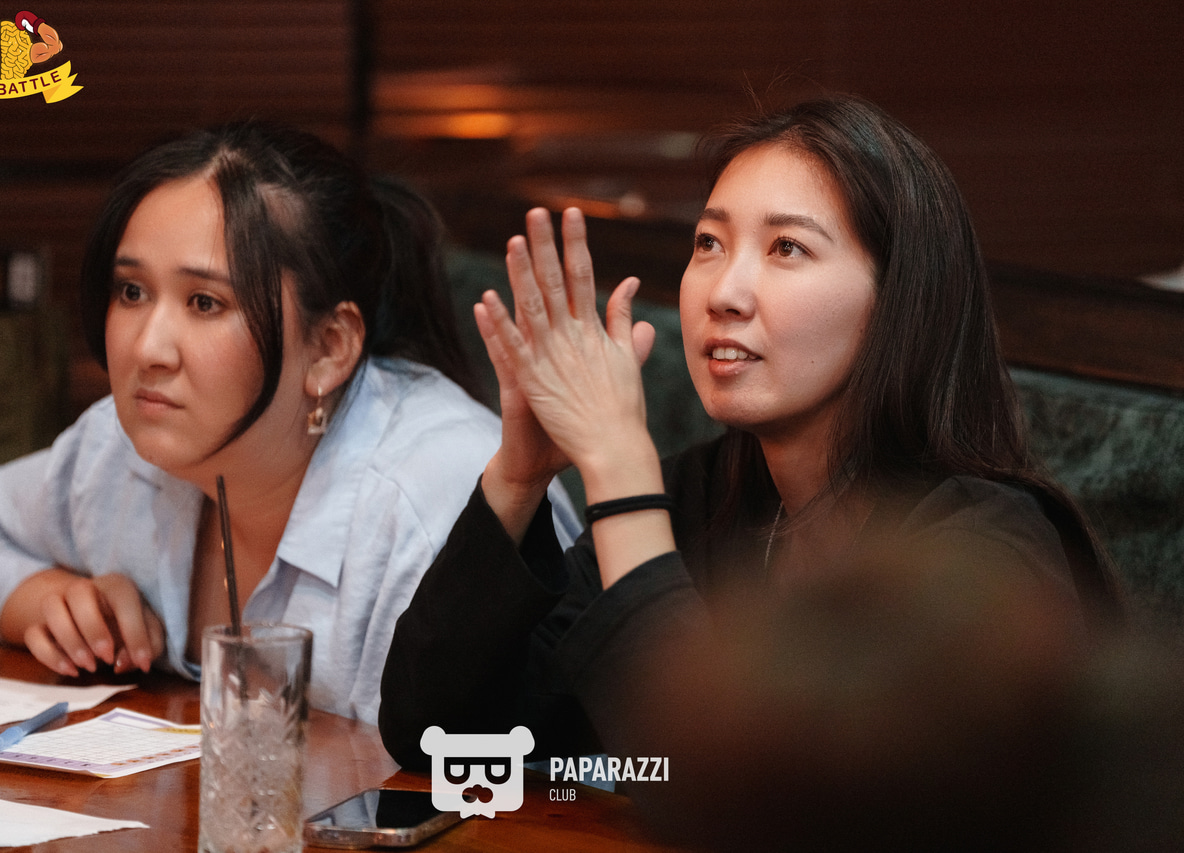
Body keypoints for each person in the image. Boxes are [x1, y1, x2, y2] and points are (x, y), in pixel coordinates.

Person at [377, 94, 1122, 779]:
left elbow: (739, 796)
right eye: (709, 242)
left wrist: (619, 470)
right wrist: (518, 475)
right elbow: (436, 736)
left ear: (900, 300)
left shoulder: (986, 549)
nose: (725, 293)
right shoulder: (696, 499)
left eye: (786, 248)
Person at [0, 122, 579, 725]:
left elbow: (528, 768)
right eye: (132, 291)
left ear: (329, 348)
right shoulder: (125, 444)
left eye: (204, 302)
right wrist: (41, 598)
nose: (148, 348)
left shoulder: (428, 505)